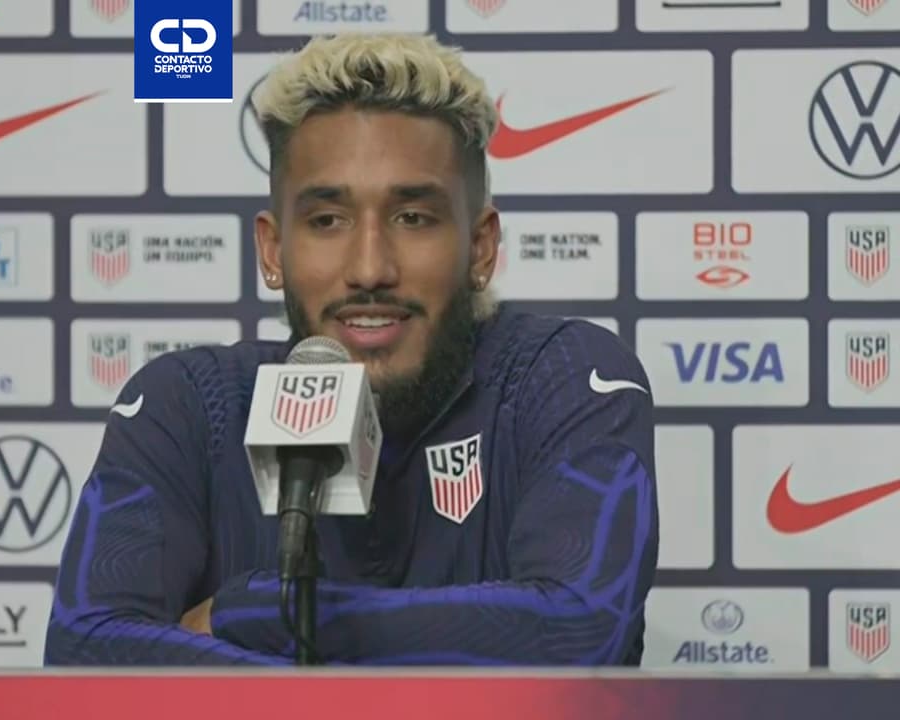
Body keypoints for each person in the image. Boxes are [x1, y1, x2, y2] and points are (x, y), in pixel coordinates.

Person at [44, 32, 659, 666]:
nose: (369, 268)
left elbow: (579, 631)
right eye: (327, 220)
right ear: (273, 251)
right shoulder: (189, 405)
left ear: (480, 249)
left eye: (413, 217)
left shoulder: (564, 377)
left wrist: (249, 612)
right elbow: (84, 653)